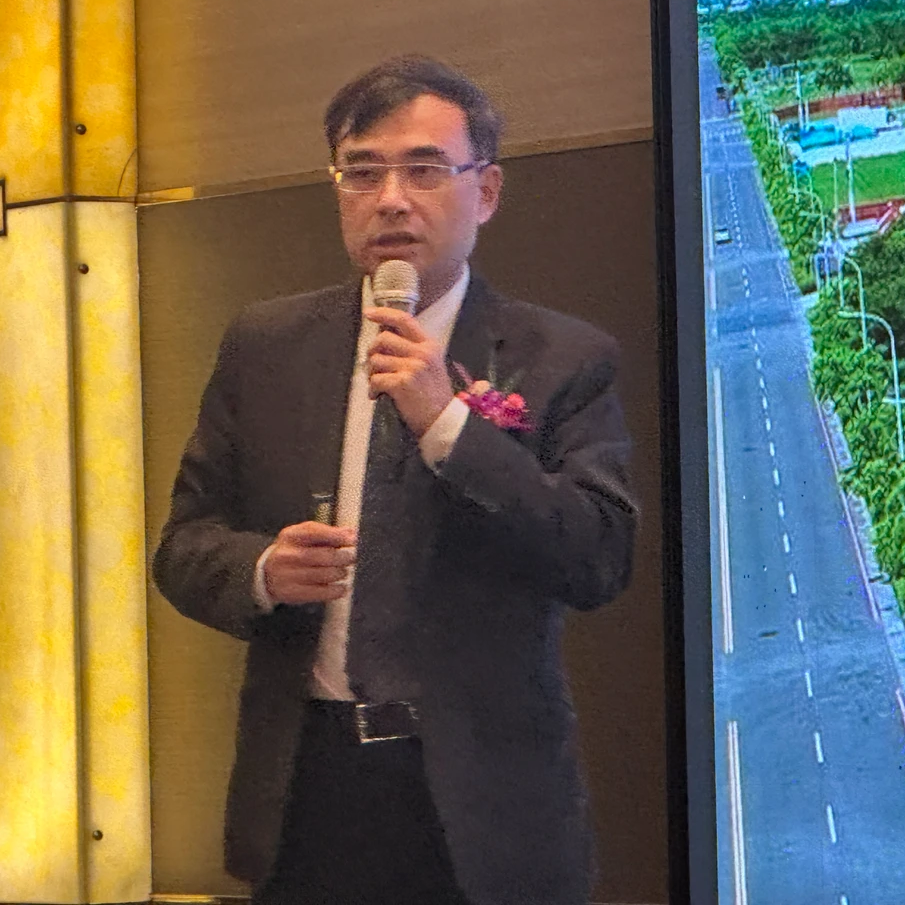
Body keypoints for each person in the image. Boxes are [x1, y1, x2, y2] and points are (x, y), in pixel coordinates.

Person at [152, 54, 637, 905]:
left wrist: (448, 424)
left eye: (423, 170)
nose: (391, 200)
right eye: (363, 172)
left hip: (484, 806)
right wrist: (263, 571)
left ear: (486, 192)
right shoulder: (266, 347)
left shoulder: (562, 357)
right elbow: (184, 545)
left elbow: (599, 555)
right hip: (307, 788)